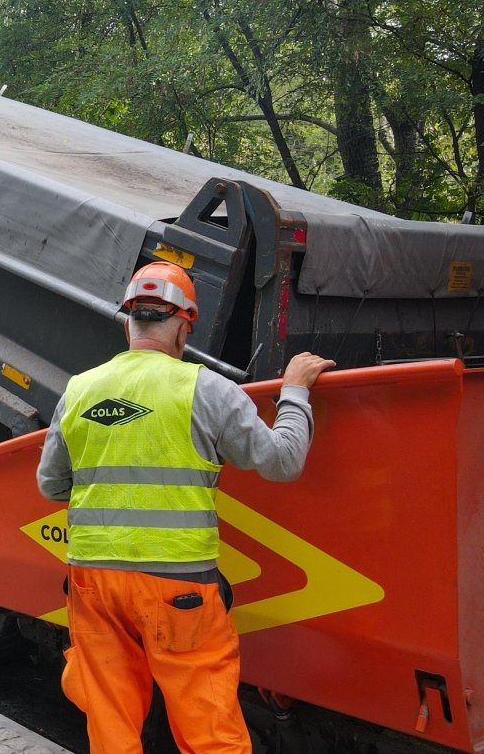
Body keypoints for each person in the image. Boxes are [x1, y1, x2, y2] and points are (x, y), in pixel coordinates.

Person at [37, 261, 335, 754]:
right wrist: (296, 390)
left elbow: (50, 484)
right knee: (207, 724)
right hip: (178, 587)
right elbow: (282, 462)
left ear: (127, 320)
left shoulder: (80, 389)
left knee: (110, 721)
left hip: (93, 580)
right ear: (183, 326)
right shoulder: (207, 390)